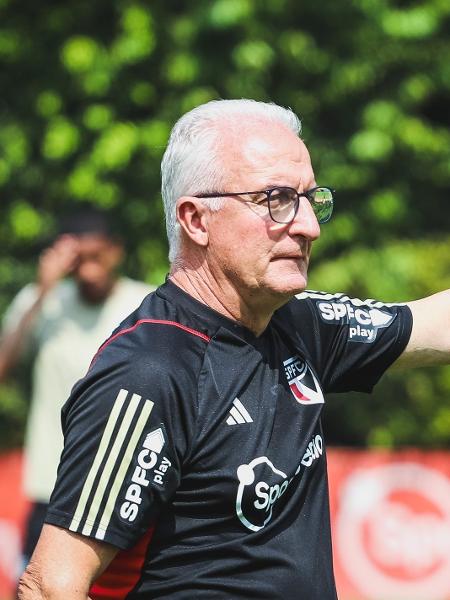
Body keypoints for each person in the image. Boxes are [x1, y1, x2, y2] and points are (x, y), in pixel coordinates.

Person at [17, 100, 449, 600]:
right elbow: (49, 585)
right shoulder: (149, 371)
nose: (309, 225)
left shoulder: (301, 324)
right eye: (277, 199)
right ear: (196, 220)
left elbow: (433, 325)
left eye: (311, 199)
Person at [0, 207, 151, 569]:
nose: (88, 270)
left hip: (126, 485)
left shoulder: (145, 303)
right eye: (78, 260)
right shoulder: (43, 302)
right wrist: (42, 289)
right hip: (51, 485)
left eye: (96, 257)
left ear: (115, 251)